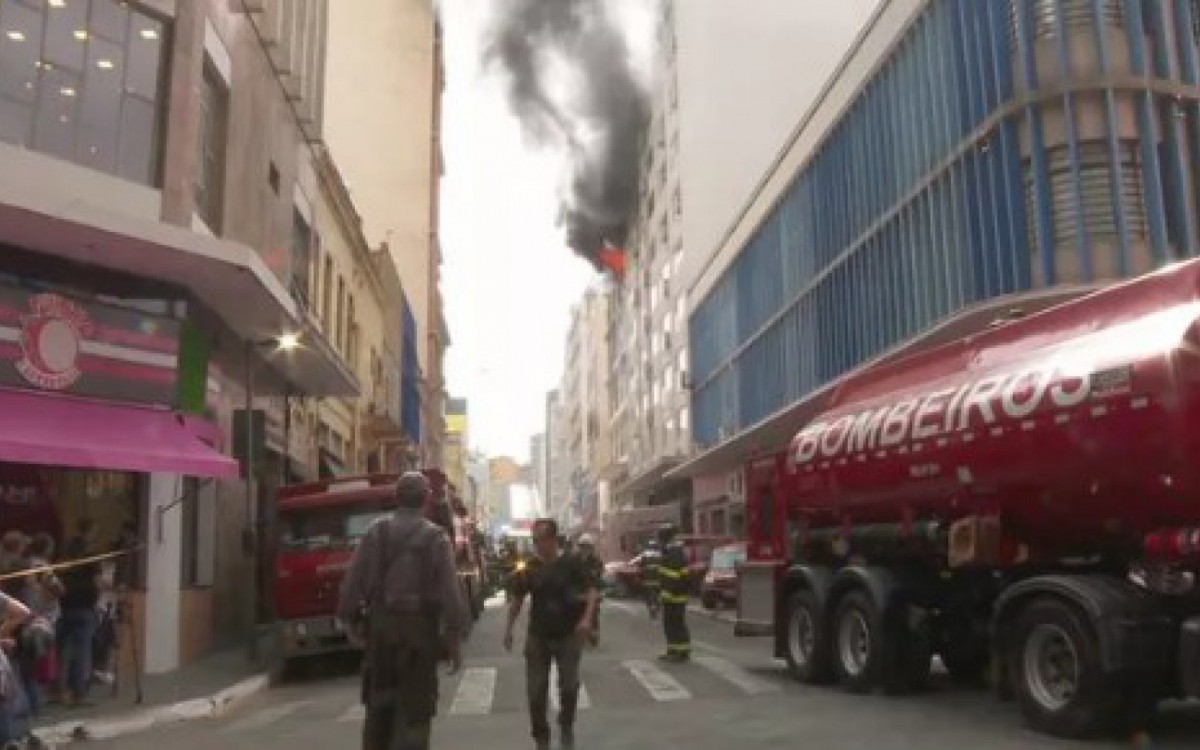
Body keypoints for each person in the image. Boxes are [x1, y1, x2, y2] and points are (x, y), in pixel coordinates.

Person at [337, 472, 466, 750]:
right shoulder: (436, 537)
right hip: (419, 630)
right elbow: (451, 594)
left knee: (378, 705)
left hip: (382, 628)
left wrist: (347, 619)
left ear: (396, 498)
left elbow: (353, 581)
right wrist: (454, 640)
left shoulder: (375, 532)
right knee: (417, 709)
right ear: (426, 499)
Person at [504, 519, 597, 750]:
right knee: (536, 692)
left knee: (569, 686)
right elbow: (517, 600)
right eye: (534, 540)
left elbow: (591, 591)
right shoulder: (529, 567)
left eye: (540, 540)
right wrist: (508, 629)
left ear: (553, 539)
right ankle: (541, 738)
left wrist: (586, 619)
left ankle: (566, 725)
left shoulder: (572, 563)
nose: (537, 545)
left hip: (568, 635)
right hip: (538, 636)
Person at [56, 519, 101, 706]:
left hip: (65, 605)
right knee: (82, 652)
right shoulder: (91, 554)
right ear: (90, 532)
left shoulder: (64, 551)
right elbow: (98, 580)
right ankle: (78, 694)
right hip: (84, 606)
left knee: (62, 650)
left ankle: (58, 691)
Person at [655, 524, 691, 662]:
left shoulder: (674, 552)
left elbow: (672, 576)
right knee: (672, 624)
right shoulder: (671, 551)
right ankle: (673, 650)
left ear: (664, 537)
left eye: (660, 538)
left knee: (675, 624)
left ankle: (680, 652)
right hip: (674, 595)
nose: (658, 541)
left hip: (674, 596)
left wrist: (666, 594)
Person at [574, 535, 603, 647]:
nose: (585, 550)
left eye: (587, 547)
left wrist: (597, 592)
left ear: (591, 548)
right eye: (582, 547)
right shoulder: (574, 560)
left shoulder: (596, 561)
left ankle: (594, 632)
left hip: (592, 591)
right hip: (577, 592)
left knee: (594, 612)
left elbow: (597, 577)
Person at [638, 539, 662, 619]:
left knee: (649, 596)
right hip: (659, 580)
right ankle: (657, 606)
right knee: (658, 594)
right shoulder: (660, 555)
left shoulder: (644, 555)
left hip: (648, 580)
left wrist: (641, 577)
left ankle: (652, 609)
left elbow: (640, 567)